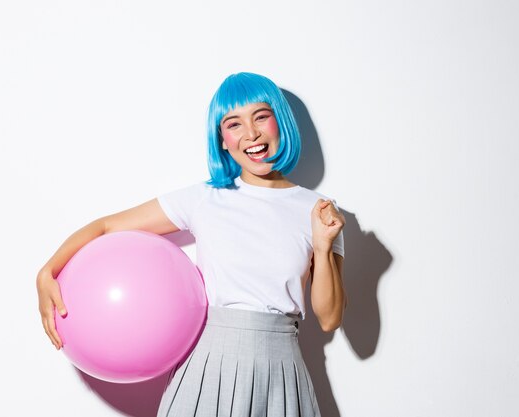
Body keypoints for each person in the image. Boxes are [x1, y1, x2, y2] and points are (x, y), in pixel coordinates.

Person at [37, 72, 347, 417]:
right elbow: (106, 226)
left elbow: (330, 318)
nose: (251, 134)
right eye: (234, 124)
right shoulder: (205, 198)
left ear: (280, 122)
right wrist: (47, 272)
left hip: (281, 369)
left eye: (261, 117)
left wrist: (323, 246)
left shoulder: (318, 210)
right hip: (207, 365)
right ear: (223, 139)